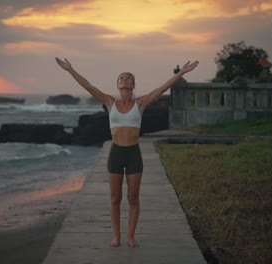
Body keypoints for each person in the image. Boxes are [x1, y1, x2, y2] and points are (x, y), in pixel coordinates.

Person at [55, 57, 198, 248]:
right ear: (117, 84)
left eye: (128, 77)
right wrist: (70, 69)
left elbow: (162, 89)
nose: (124, 79)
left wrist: (181, 73)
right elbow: (88, 86)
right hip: (116, 153)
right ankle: (116, 236)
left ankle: (130, 236)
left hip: (133, 154)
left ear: (132, 84)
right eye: (121, 77)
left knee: (133, 197)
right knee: (115, 197)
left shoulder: (140, 103)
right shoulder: (109, 102)